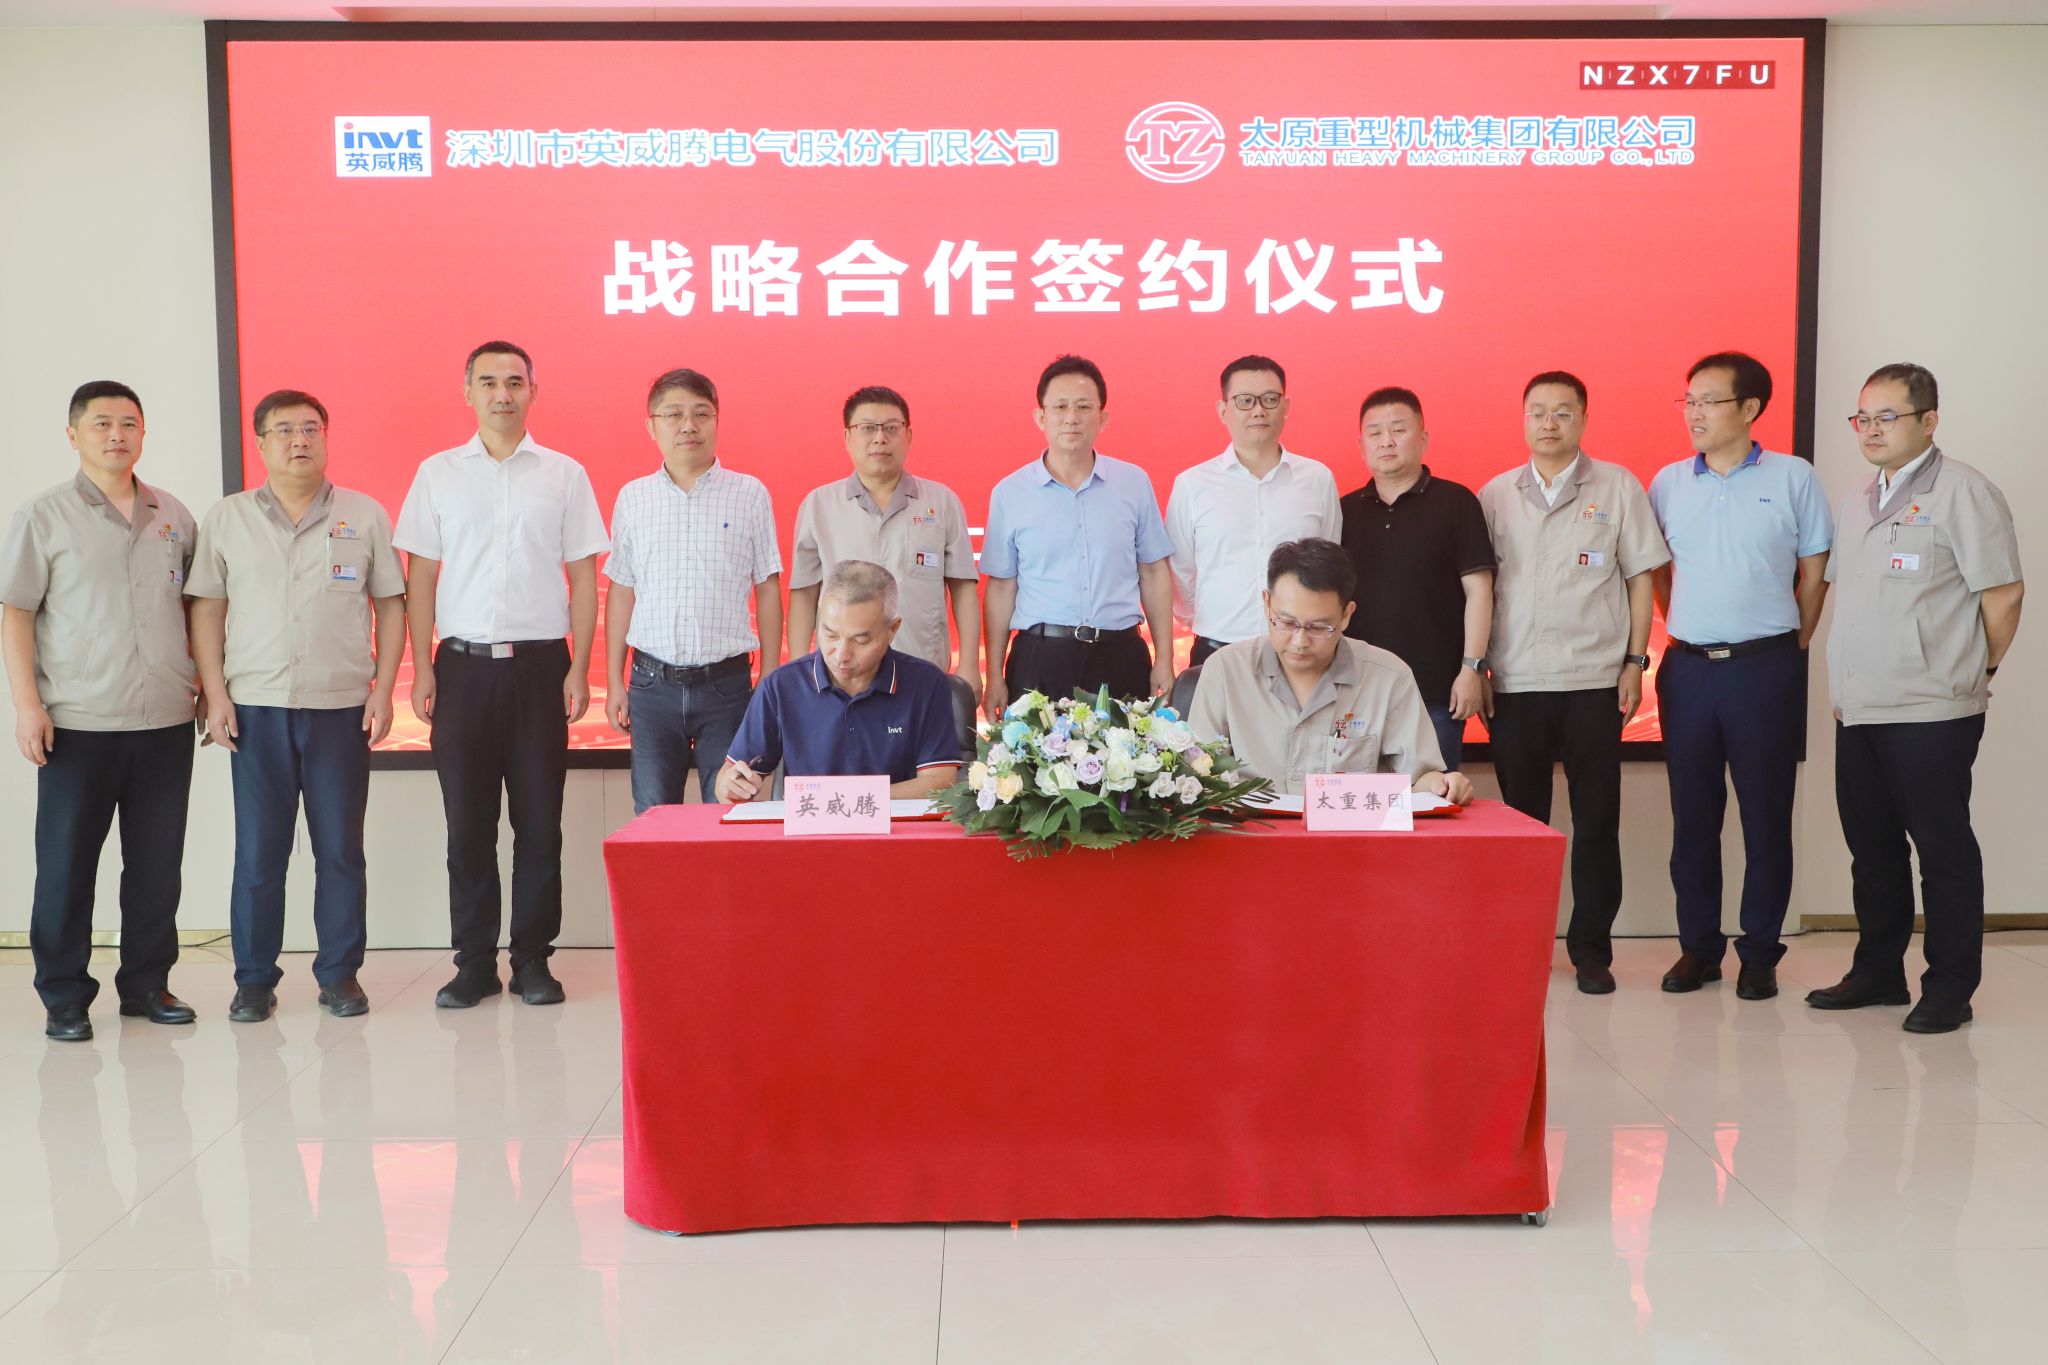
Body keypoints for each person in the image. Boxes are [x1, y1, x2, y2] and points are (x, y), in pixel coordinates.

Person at [393, 341, 610, 1009]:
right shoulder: (437, 474)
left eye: (515, 382)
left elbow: (583, 578)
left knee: (540, 825)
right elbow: (421, 577)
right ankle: (474, 963)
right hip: (461, 669)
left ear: (532, 391)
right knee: (468, 826)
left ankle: (533, 960)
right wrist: (421, 668)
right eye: (488, 382)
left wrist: (579, 667)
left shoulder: (564, 474)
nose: (502, 394)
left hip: (542, 669)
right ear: (468, 392)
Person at [1808, 363, 2023, 1033]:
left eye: (1887, 417)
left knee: (1941, 848)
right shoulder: (1857, 497)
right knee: (1872, 848)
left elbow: (2004, 594)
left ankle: (1951, 986)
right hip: (1860, 708)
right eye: (1862, 418)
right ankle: (1878, 971)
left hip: (1932, 709)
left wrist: (1979, 668)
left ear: (1929, 421)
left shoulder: (1964, 492)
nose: (1871, 430)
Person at [186, 389, 408, 1023]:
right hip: (256, 709)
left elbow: (390, 604)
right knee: (260, 855)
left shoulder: (364, 514)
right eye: (284, 430)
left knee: (340, 850)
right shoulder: (227, 518)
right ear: (260, 443)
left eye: (311, 428)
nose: (299, 440)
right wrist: (215, 694)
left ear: (326, 437)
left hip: (340, 708)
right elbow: (207, 609)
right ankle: (254, 980)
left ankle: (339, 974)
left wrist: (383, 689)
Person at [1, 380, 200, 1041]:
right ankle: (64, 995)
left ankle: (146, 984)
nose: (117, 434)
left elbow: (197, 609)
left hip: (164, 720)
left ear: (143, 433)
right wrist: (27, 705)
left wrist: (205, 681)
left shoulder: (172, 514)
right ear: (74, 434)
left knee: (156, 866)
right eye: (102, 423)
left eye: (129, 423)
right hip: (78, 723)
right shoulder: (44, 515)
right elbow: (16, 612)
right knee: (66, 866)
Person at [1479, 371, 1670, 995]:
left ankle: (1591, 950)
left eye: (1563, 412)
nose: (1549, 423)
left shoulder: (1617, 486)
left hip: (1593, 682)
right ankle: (1523, 946)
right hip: (1515, 682)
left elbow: (1640, 577)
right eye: (1538, 411)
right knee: (1523, 828)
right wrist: (1478, 666)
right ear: (1523, 419)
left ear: (1584, 419)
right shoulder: (1495, 495)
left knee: (1595, 823)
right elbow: (1479, 591)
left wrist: (1635, 661)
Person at [1648, 353, 1832, 1002]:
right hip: (1689, 671)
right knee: (1693, 818)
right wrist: (1687, 628)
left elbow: (1815, 573)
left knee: (1765, 816)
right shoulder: (1668, 482)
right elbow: (1659, 572)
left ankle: (1760, 952)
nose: (1694, 413)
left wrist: (1790, 642)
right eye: (1688, 401)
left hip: (1765, 668)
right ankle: (1699, 948)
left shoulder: (1793, 476)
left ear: (1750, 408)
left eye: (1709, 401)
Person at [603, 368, 782, 811]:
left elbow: (768, 588)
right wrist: (614, 681)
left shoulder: (749, 494)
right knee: (652, 815)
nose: (688, 425)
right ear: (652, 426)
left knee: (730, 812)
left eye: (701, 414)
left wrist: (769, 676)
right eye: (674, 415)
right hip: (651, 685)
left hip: (727, 687)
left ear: (716, 421)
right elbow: (622, 591)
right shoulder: (633, 498)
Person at [1188, 538, 1474, 804]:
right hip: (1251, 833)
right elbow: (1197, 773)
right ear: (1266, 603)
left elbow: (1419, 778)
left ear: (1346, 615)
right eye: (1286, 623)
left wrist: (1443, 785)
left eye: (1318, 627)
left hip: (1351, 837)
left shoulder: (1389, 677)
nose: (1300, 641)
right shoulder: (1225, 671)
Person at [981, 355, 1174, 717]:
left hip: (1120, 654)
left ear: (1103, 417)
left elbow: (1153, 572)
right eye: (1060, 407)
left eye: (1084, 406)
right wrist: (993, 675)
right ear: (1041, 417)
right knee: (1033, 755)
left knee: (1130, 753)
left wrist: (1165, 657)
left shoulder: (1133, 483)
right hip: (1041, 657)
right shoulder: (1010, 492)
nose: (1072, 417)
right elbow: (1002, 587)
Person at [1338, 385, 1495, 771]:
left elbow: (1479, 592)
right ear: (1361, 445)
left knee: (1432, 797)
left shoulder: (1457, 503)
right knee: (1359, 800)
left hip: (1436, 691)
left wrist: (1472, 669)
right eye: (1375, 432)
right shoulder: (1343, 512)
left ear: (1423, 439)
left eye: (1398, 430)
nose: (1386, 441)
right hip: (1358, 692)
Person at [787, 385, 978, 696]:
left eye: (891, 428)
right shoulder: (819, 505)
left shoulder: (942, 502)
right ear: (847, 437)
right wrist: (798, 668)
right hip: (841, 677)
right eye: (867, 428)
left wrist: (969, 664)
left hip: (921, 675)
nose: (880, 438)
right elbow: (804, 593)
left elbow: (963, 588)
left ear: (909, 436)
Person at [715, 561, 960, 802]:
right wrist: (731, 786)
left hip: (894, 825)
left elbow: (939, 781)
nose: (841, 655)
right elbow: (728, 782)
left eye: (861, 640)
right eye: (830, 635)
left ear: (892, 630)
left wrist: (842, 799)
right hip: (810, 826)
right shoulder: (782, 687)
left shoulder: (926, 684)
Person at [1166, 355, 1340, 666]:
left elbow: (1329, 563)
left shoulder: (1317, 479)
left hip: (1299, 651)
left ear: (1285, 406)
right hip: (1217, 649)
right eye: (1245, 401)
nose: (1258, 410)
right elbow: (1180, 572)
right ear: (1223, 410)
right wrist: (1213, 621)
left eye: (1269, 399)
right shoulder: (1192, 484)